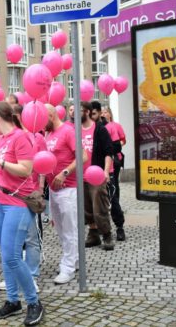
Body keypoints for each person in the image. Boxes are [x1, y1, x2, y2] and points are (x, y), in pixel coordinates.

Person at [0, 102, 44, 325]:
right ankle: (12, 300)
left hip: (18, 203)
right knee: (5, 254)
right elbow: (4, 170)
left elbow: (26, 169)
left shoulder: (21, 137)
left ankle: (34, 301)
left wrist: (1, 162)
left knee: (12, 256)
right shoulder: (1, 140)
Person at [44, 104, 80, 285]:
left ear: (51, 115)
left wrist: (64, 172)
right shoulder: (49, 134)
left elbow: (82, 156)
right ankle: (74, 258)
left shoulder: (68, 131)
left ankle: (68, 268)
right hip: (53, 189)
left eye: (43, 120)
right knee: (61, 229)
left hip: (68, 188)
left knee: (69, 229)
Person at [81, 102, 115, 251]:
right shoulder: (74, 130)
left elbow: (109, 152)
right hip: (80, 176)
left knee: (99, 206)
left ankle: (107, 234)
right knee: (87, 208)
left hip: (96, 175)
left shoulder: (99, 129)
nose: (74, 114)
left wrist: (106, 171)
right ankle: (93, 233)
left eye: (79, 110)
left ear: (87, 112)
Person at [102, 106, 126, 241]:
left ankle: (119, 225)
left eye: (106, 112)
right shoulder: (98, 126)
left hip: (114, 160)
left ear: (110, 114)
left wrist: (109, 146)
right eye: (103, 112)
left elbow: (121, 141)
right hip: (100, 165)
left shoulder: (115, 126)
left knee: (113, 186)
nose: (104, 114)